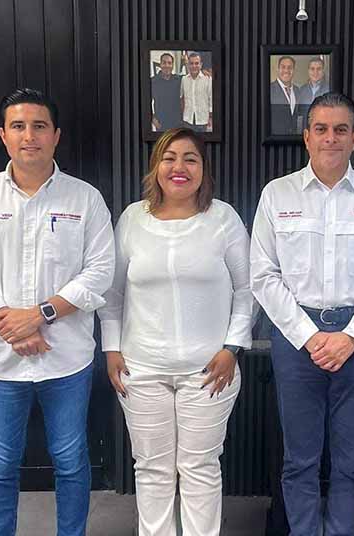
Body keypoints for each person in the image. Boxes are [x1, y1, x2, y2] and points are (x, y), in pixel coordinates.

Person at [0, 88, 115, 536]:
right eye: (18, 126)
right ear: (3, 135)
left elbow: (100, 271)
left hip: (66, 357)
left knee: (70, 460)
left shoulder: (85, 199)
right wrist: (12, 325)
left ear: (56, 135)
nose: (29, 136)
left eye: (39, 126)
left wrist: (38, 315)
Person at [251, 93, 354, 536]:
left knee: (351, 460)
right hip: (295, 339)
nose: (330, 138)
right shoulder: (276, 194)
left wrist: (351, 336)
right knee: (299, 459)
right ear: (306, 137)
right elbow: (262, 275)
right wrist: (309, 335)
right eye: (321, 129)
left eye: (341, 130)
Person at [99, 127, 253, 536]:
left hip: (209, 370)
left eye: (190, 158)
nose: (179, 167)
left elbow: (247, 289)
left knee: (199, 466)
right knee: (152, 469)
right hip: (141, 369)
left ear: (204, 169)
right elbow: (112, 292)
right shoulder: (132, 219)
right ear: (156, 166)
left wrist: (233, 347)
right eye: (169, 158)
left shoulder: (223, 219)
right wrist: (111, 348)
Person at [270, 55, 303, 135]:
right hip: (275, 139)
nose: (286, 70)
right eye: (283, 67)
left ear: (294, 70)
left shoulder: (298, 91)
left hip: (294, 138)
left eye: (290, 67)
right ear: (278, 69)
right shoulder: (269, 89)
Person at [180, 52, 213, 132]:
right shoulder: (184, 79)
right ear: (188, 65)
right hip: (187, 120)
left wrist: (210, 117)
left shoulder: (207, 79)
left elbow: (211, 99)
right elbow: (181, 97)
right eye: (191, 63)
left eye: (196, 63)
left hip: (203, 120)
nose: (194, 66)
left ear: (201, 65)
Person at [151, 52, 182, 131]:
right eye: (164, 63)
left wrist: (203, 71)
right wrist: (152, 118)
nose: (167, 65)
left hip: (177, 124)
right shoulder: (153, 81)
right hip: (161, 125)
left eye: (169, 63)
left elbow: (191, 78)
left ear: (172, 65)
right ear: (160, 64)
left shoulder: (178, 80)